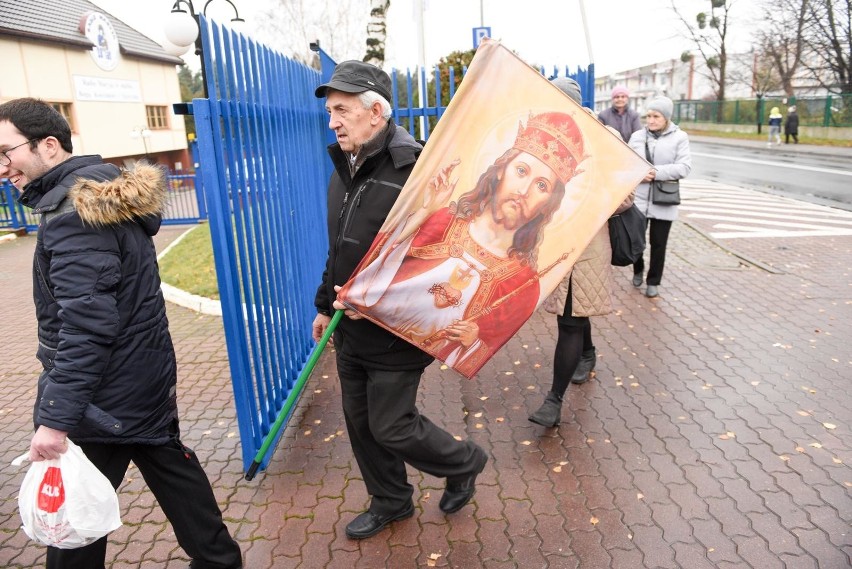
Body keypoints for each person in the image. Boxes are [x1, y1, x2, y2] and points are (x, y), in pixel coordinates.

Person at [0, 98, 242, 569]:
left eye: (6, 152)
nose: (2, 167)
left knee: (71, 518)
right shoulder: (95, 196)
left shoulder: (75, 215)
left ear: (49, 146)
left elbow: (86, 326)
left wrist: (54, 418)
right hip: (138, 377)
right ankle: (220, 560)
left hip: (104, 394)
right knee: (171, 470)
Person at [311, 60, 488, 540]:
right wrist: (325, 304)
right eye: (330, 111)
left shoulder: (419, 173)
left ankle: (465, 461)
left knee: (391, 426)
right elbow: (342, 246)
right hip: (349, 326)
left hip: (395, 328)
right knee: (362, 425)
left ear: (376, 112)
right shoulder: (343, 167)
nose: (333, 121)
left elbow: (441, 256)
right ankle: (390, 501)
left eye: (342, 110)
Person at [342, 108, 587, 377]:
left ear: (547, 205)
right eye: (521, 170)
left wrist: (473, 340)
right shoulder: (442, 221)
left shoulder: (524, 284)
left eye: (542, 185)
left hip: (406, 359)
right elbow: (382, 259)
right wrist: (425, 212)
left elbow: (482, 351)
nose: (524, 190)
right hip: (369, 337)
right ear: (500, 170)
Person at [528, 77, 635, 427]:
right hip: (554, 241)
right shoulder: (543, 136)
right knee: (575, 309)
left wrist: (592, 202)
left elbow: (627, 197)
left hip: (587, 243)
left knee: (570, 318)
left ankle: (554, 400)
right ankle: (587, 353)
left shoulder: (606, 141)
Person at [627, 96, 692, 298]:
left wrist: (655, 173)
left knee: (659, 243)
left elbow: (684, 167)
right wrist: (638, 173)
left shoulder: (679, 137)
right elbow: (627, 161)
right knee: (636, 241)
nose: (651, 120)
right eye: (649, 116)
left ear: (667, 118)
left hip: (664, 200)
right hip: (639, 199)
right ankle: (638, 269)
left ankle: (653, 281)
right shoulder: (637, 136)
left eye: (656, 116)